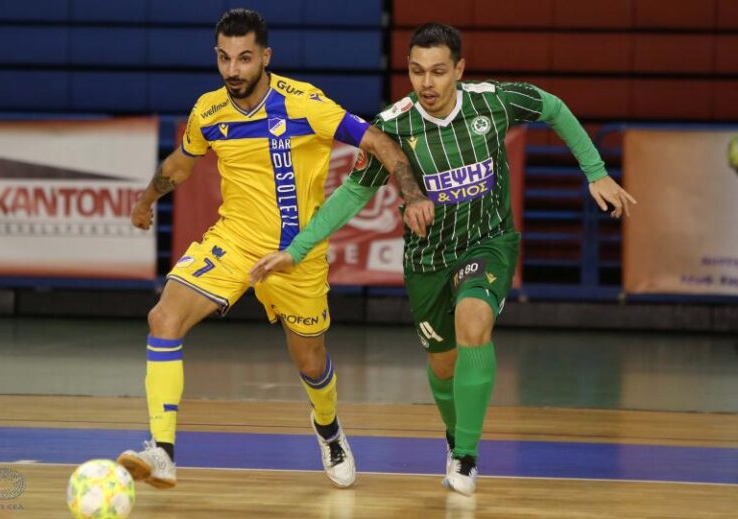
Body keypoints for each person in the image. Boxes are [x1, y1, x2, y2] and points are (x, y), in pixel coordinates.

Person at [250, 22, 637, 496]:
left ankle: (468, 458)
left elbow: (552, 107)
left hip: (489, 242)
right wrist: (296, 250)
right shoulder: (394, 125)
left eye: (437, 71)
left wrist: (595, 172)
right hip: (428, 258)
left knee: (474, 321)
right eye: (416, 72)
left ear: (459, 69)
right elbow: (352, 193)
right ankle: (456, 438)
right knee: (444, 366)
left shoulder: (491, 101)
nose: (427, 83)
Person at [117, 9, 433, 490]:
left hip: (296, 255)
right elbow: (182, 164)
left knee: (310, 361)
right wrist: (145, 200)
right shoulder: (210, 111)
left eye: (244, 59)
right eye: (224, 58)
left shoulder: (305, 104)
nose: (233, 71)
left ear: (265, 57)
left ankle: (327, 428)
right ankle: (161, 452)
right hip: (234, 242)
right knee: (163, 319)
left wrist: (410, 191)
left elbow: (377, 140)